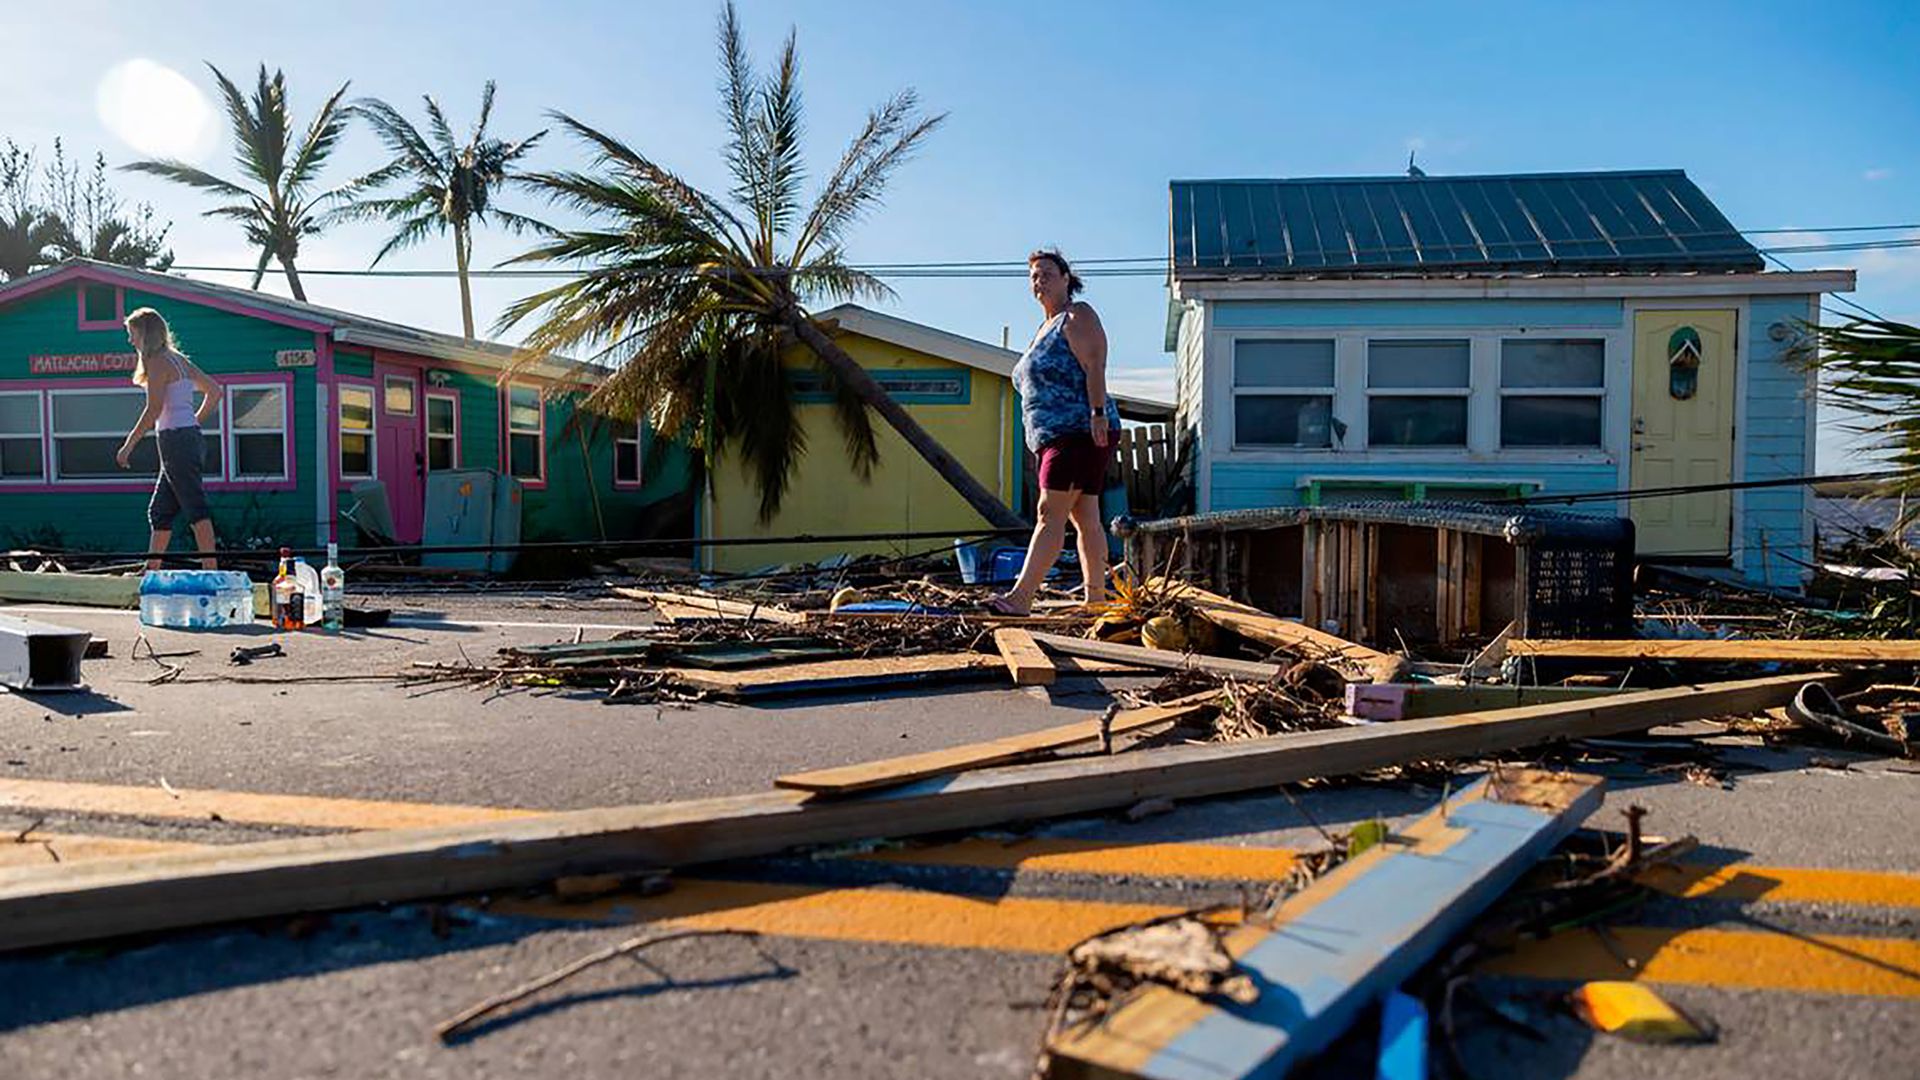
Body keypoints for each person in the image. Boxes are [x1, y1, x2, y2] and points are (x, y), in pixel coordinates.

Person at [991, 249, 1121, 615]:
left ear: (1066, 278)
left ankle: (1021, 597)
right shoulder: (1043, 328)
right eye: (1034, 275)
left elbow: (1094, 362)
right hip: (1054, 435)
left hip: (1079, 428)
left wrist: (1097, 413)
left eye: (1047, 273)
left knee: (1050, 512)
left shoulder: (1076, 315)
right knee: (1086, 516)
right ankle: (1096, 600)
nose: (1039, 280)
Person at [116, 307, 221, 570]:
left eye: (132, 334)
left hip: (177, 441)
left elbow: (154, 409)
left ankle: (211, 571)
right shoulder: (179, 360)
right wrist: (194, 421)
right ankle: (151, 570)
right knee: (160, 510)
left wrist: (128, 445)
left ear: (145, 333)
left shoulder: (158, 362)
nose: (130, 340)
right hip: (186, 439)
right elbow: (215, 391)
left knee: (195, 506)